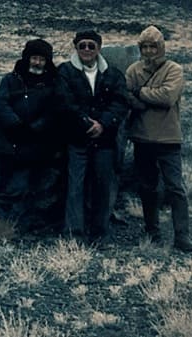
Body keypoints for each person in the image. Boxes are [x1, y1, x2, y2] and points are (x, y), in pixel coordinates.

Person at [0, 38, 65, 234]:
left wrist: (33, 129)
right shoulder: (10, 80)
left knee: (17, 188)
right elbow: (0, 104)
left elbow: (52, 112)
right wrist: (16, 125)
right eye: (34, 58)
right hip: (5, 141)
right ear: (27, 58)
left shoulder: (52, 85)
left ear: (47, 62)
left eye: (41, 59)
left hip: (32, 146)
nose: (37, 63)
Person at [125, 25, 192, 252]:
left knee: (175, 187)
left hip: (168, 138)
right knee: (147, 187)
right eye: (144, 47)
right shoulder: (133, 70)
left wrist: (141, 93)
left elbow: (168, 96)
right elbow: (127, 97)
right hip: (142, 137)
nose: (148, 51)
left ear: (161, 47)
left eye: (152, 46)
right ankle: (151, 230)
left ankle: (182, 236)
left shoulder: (174, 69)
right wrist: (143, 97)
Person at [58, 29, 129, 244]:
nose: (87, 49)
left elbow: (120, 102)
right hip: (77, 138)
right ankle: (74, 232)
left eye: (91, 45)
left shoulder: (113, 74)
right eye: (82, 45)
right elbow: (64, 101)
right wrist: (87, 123)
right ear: (76, 47)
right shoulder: (65, 72)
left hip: (104, 140)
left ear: (99, 47)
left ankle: (100, 230)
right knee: (75, 185)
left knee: (102, 185)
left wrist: (103, 124)